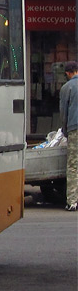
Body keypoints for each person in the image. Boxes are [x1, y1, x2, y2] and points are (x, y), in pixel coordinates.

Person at [61, 60, 78, 211]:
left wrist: (65, 130)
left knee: (73, 166)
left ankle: (72, 201)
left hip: (75, 128)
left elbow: (64, 113)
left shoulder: (67, 87)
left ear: (68, 73)